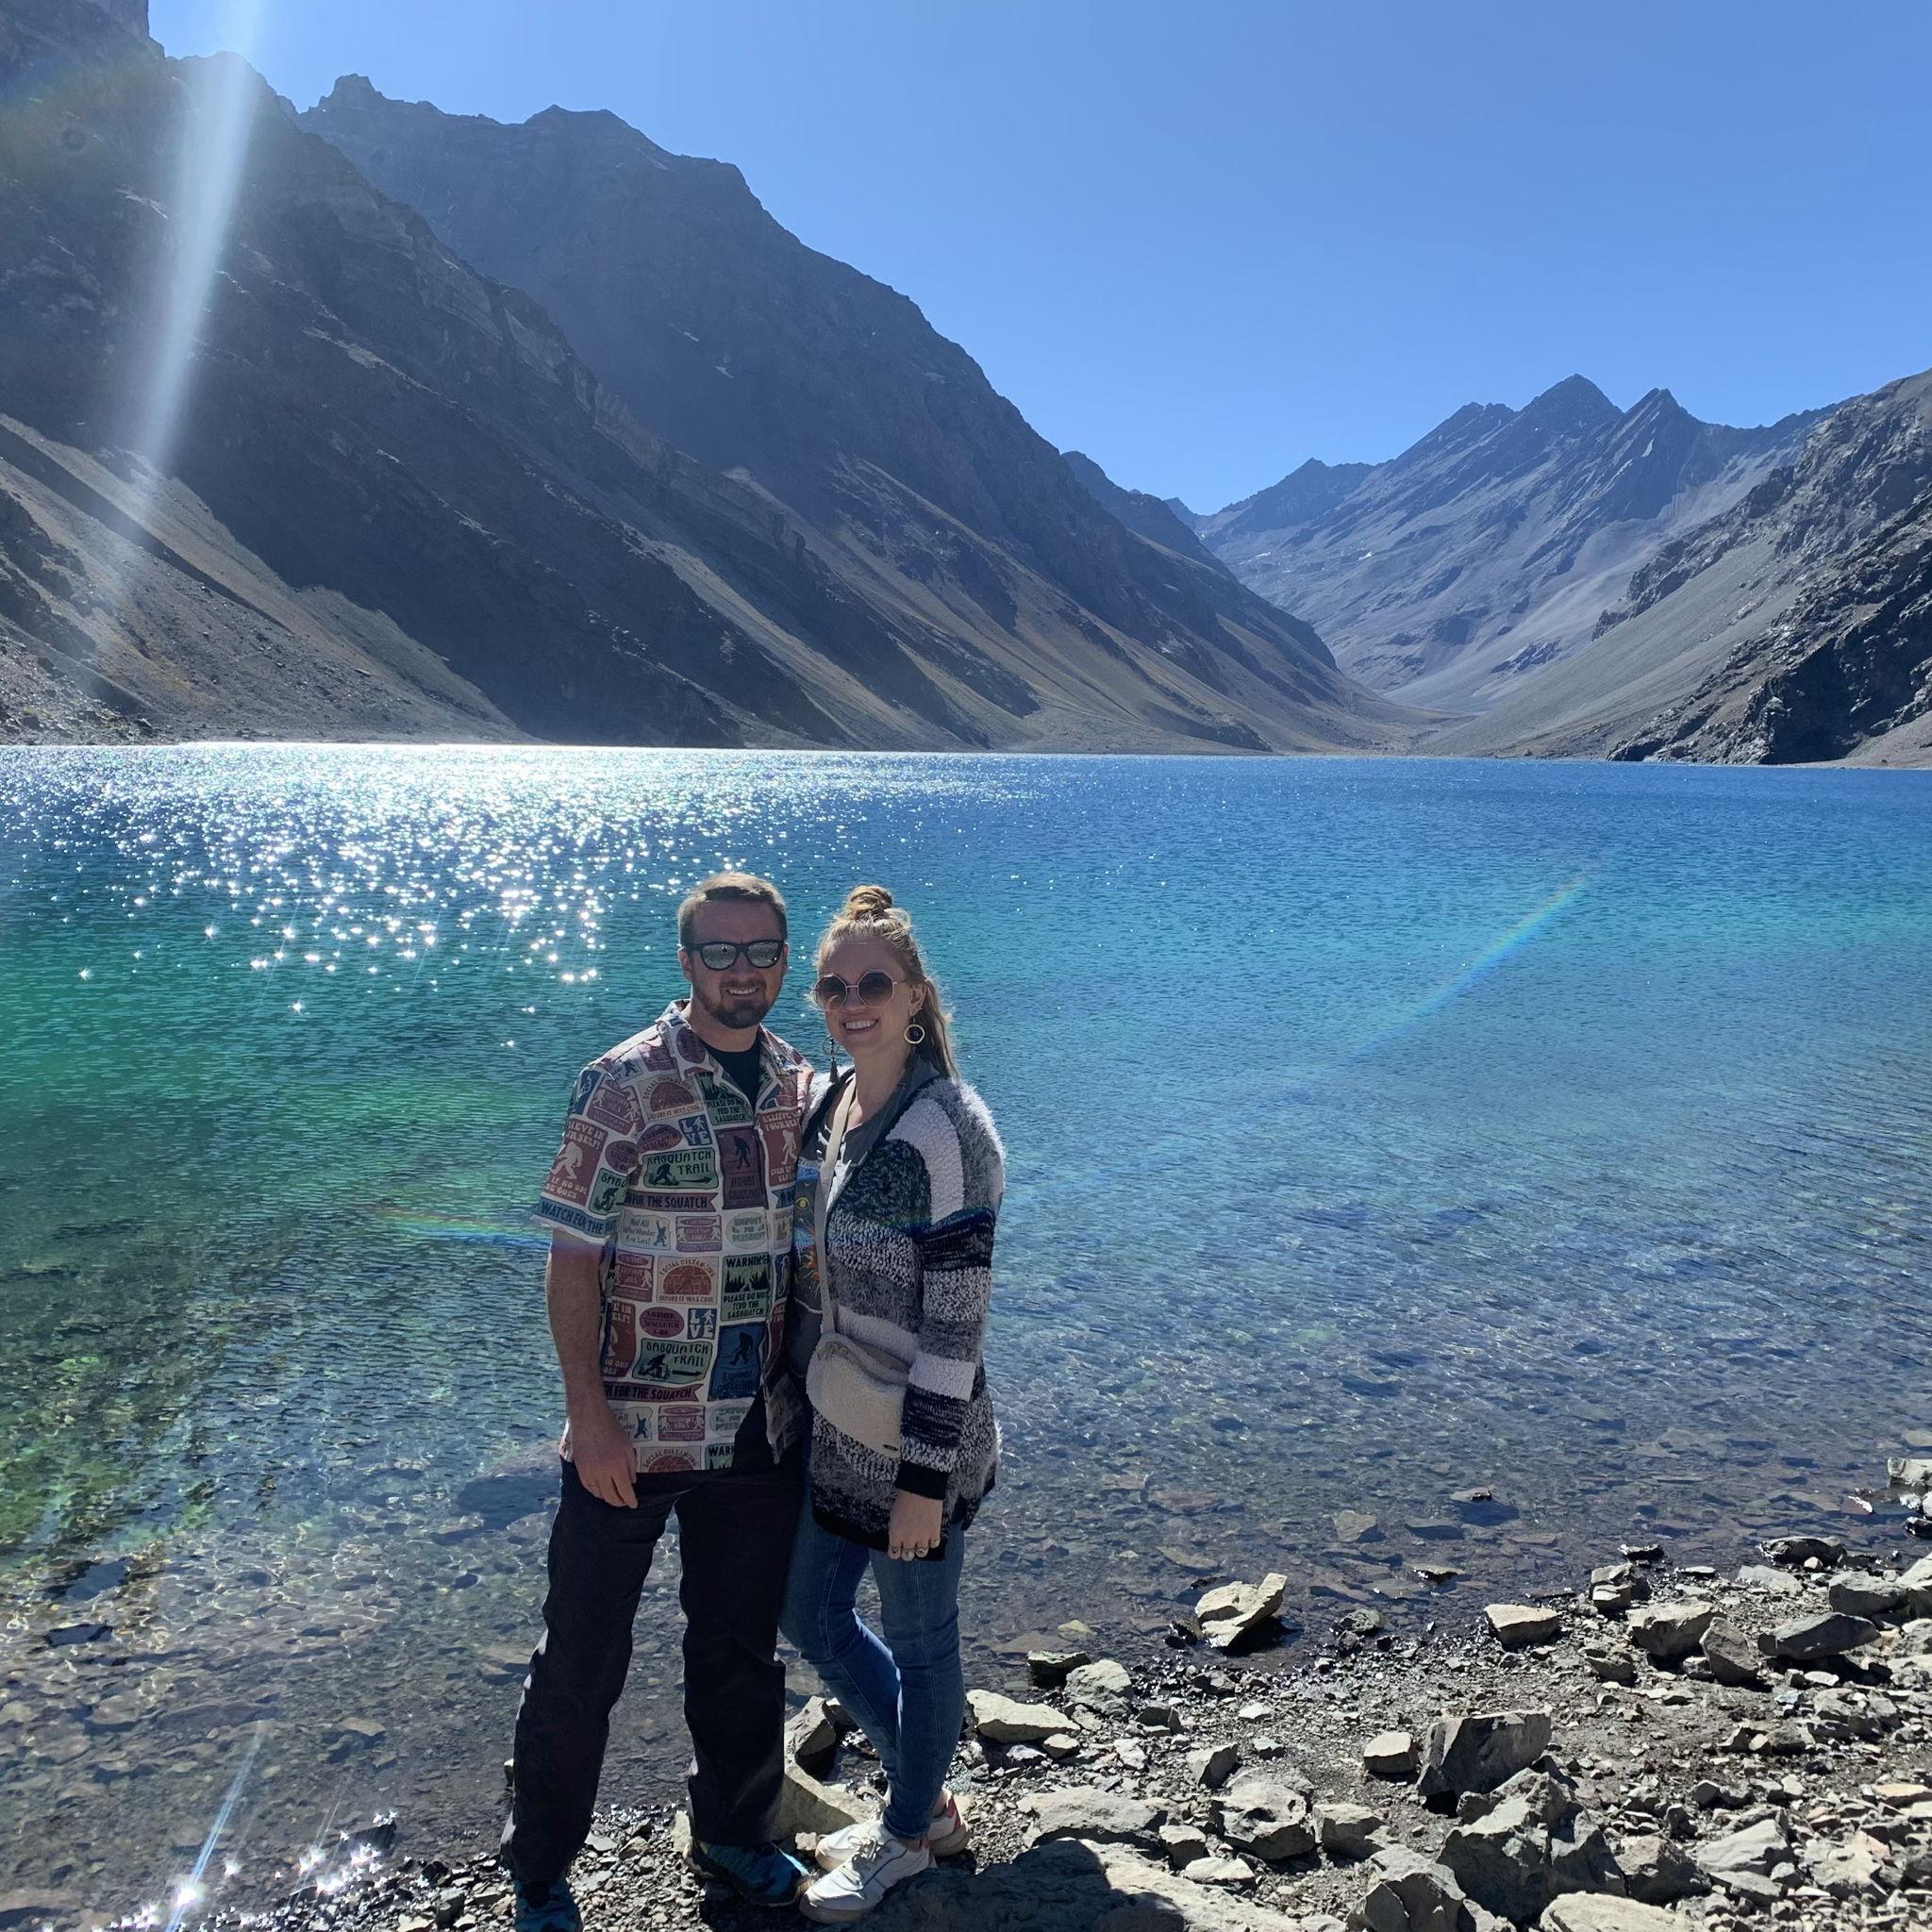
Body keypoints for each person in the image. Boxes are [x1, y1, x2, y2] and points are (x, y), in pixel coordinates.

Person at [504, 873, 816, 1929]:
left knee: (737, 1650)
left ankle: (733, 1832)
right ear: (684, 962)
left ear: (783, 956)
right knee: (581, 1659)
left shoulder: (797, 1082)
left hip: (754, 1431)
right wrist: (585, 1412)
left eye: (760, 950)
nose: (742, 970)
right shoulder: (621, 1082)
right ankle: (542, 1869)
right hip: (626, 1432)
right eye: (719, 952)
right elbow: (571, 1259)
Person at [781, 886, 1004, 1924]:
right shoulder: (834, 1104)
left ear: (915, 996)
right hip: (838, 1435)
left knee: (923, 1646)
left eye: (873, 982)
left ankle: (909, 1830)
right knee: (808, 1612)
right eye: (833, 983)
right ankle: (926, 1789)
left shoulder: (947, 1129)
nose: (850, 998)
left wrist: (922, 1481)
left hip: (919, 1446)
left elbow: (956, 1326)